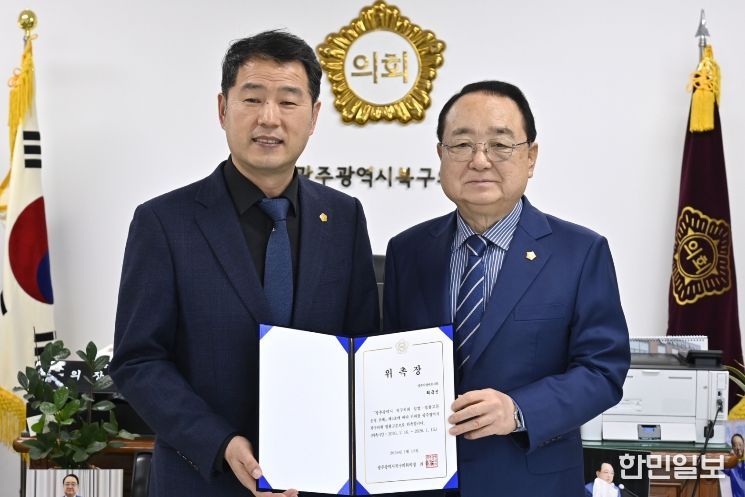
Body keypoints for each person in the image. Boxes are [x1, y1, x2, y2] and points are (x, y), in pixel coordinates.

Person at [110, 30, 379, 497]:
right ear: (222, 109)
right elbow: (138, 360)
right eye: (252, 99)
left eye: (288, 101)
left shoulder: (343, 217)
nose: (269, 118)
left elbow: (363, 347)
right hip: (202, 480)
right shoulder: (164, 222)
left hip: (317, 481)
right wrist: (219, 443)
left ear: (314, 116)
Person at [382, 81, 630, 496]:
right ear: (441, 155)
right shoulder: (407, 251)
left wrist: (518, 410)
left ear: (530, 157)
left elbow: (603, 370)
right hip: (423, 480)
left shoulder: (580, 252)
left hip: (530, 483)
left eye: (499, 145)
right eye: (462, 145)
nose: (479, 160)